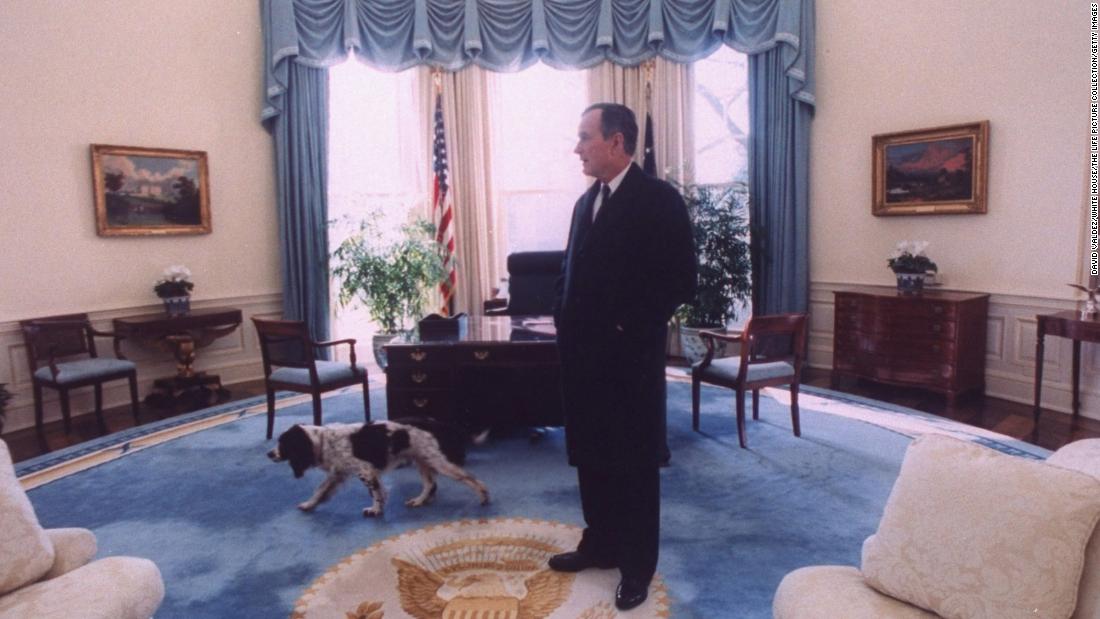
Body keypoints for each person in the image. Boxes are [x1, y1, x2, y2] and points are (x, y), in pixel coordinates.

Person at [549, 103, 696, 610]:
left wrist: (625, 324)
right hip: (581, 360)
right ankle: (602, 543)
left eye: (585, 137)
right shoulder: (583, 202)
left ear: (616, 142)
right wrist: (559, 314)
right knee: (590, 456)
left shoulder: (658, 200)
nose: (577, 148)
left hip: (627, 363)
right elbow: (570, 270)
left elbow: (681, 280)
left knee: (632, 465)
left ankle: (636, 566)